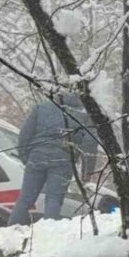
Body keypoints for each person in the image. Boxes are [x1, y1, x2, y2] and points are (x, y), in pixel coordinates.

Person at [9, 93, 97, 225]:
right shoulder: (84, 115)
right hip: (64, 161)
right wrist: (87, 171)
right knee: (53, 199)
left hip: (37, 157)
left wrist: (26, 157)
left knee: (25, 199)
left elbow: (25, 135)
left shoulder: (42, 107)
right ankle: (48, 233)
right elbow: (90, 143)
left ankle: (11, 231)